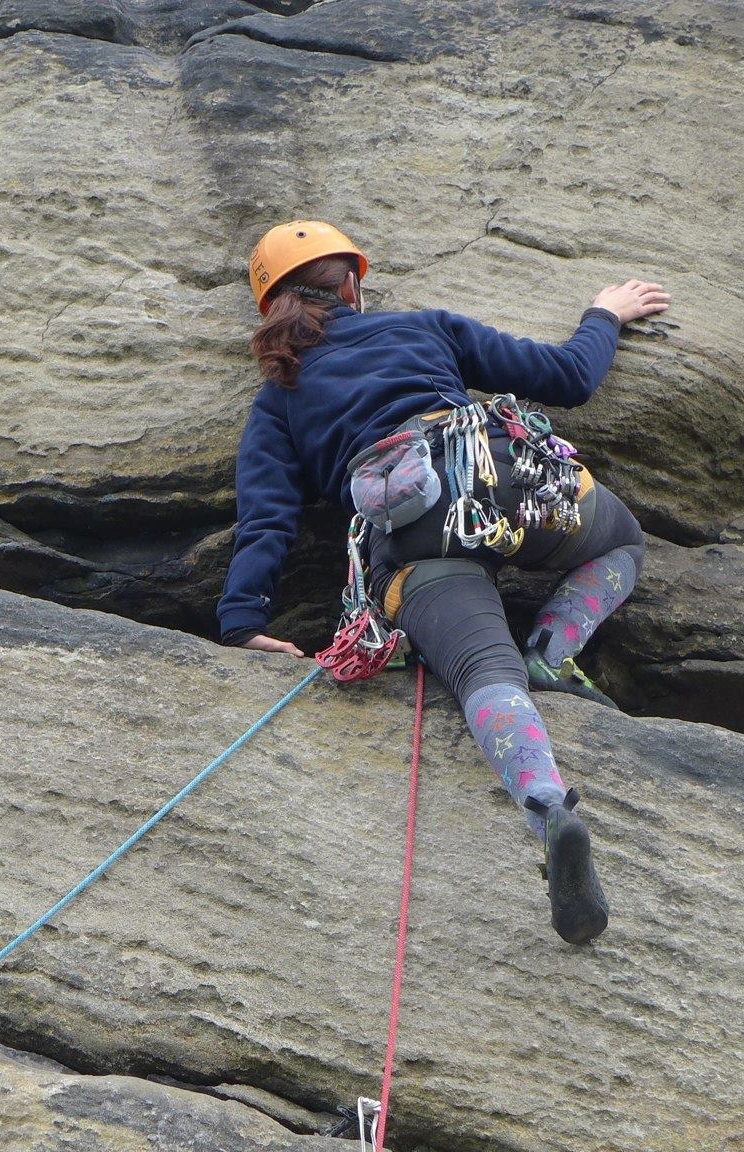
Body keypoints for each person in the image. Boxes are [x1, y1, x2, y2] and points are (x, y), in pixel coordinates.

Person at [216, 220, 670, 945]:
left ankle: (549, 806)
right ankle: (551, 650)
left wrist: (242, 622)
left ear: (270, 309)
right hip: (507, 483)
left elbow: (266, 521)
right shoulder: (424, 328)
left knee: (480, 673)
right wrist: (604, 315)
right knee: (618, 542)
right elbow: (569, 377)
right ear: (355, 286)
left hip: (409, 534)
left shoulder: (281, 398)